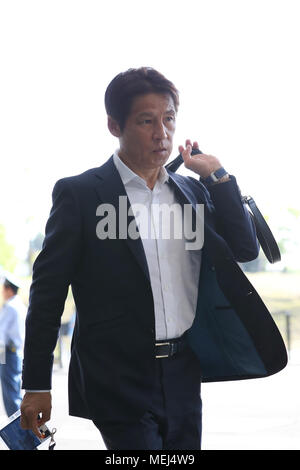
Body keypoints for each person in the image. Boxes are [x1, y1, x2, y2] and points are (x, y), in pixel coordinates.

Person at [20, 67, 287, 450]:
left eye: (169, 119)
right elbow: (46, 296)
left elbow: (245, 250)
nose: (161, 132)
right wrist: (36, 384)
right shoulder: (80, 195)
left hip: (183, 371)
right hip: (115, 377)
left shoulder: (191, 192)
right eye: (146, 121)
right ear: (115, 125)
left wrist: (218, 176)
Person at [0, 274, 26, 416]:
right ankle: (36, 434)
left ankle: (22, 436)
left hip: (8, 354)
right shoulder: (20, 305)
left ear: (9, 289)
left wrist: (0, 359)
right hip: (16, 353)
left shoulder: (10, 307)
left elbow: (1, 336)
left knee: (11, 399)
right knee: (17, 395)